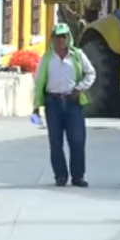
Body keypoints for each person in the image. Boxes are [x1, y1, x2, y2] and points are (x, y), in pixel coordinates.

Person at [33, 24, 96, 187]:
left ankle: (78, 176)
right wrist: (36, 105)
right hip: (52, 103)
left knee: (77, 140)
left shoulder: (77, 56)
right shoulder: (46, 59)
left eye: (64, 36)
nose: (61, 40)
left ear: (68, 38)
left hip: (72, 102)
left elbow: (91, 73)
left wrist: (79, 88)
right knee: (55, 142)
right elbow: (39, 81)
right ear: (52, 39)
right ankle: (60, 175)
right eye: (57, 37)